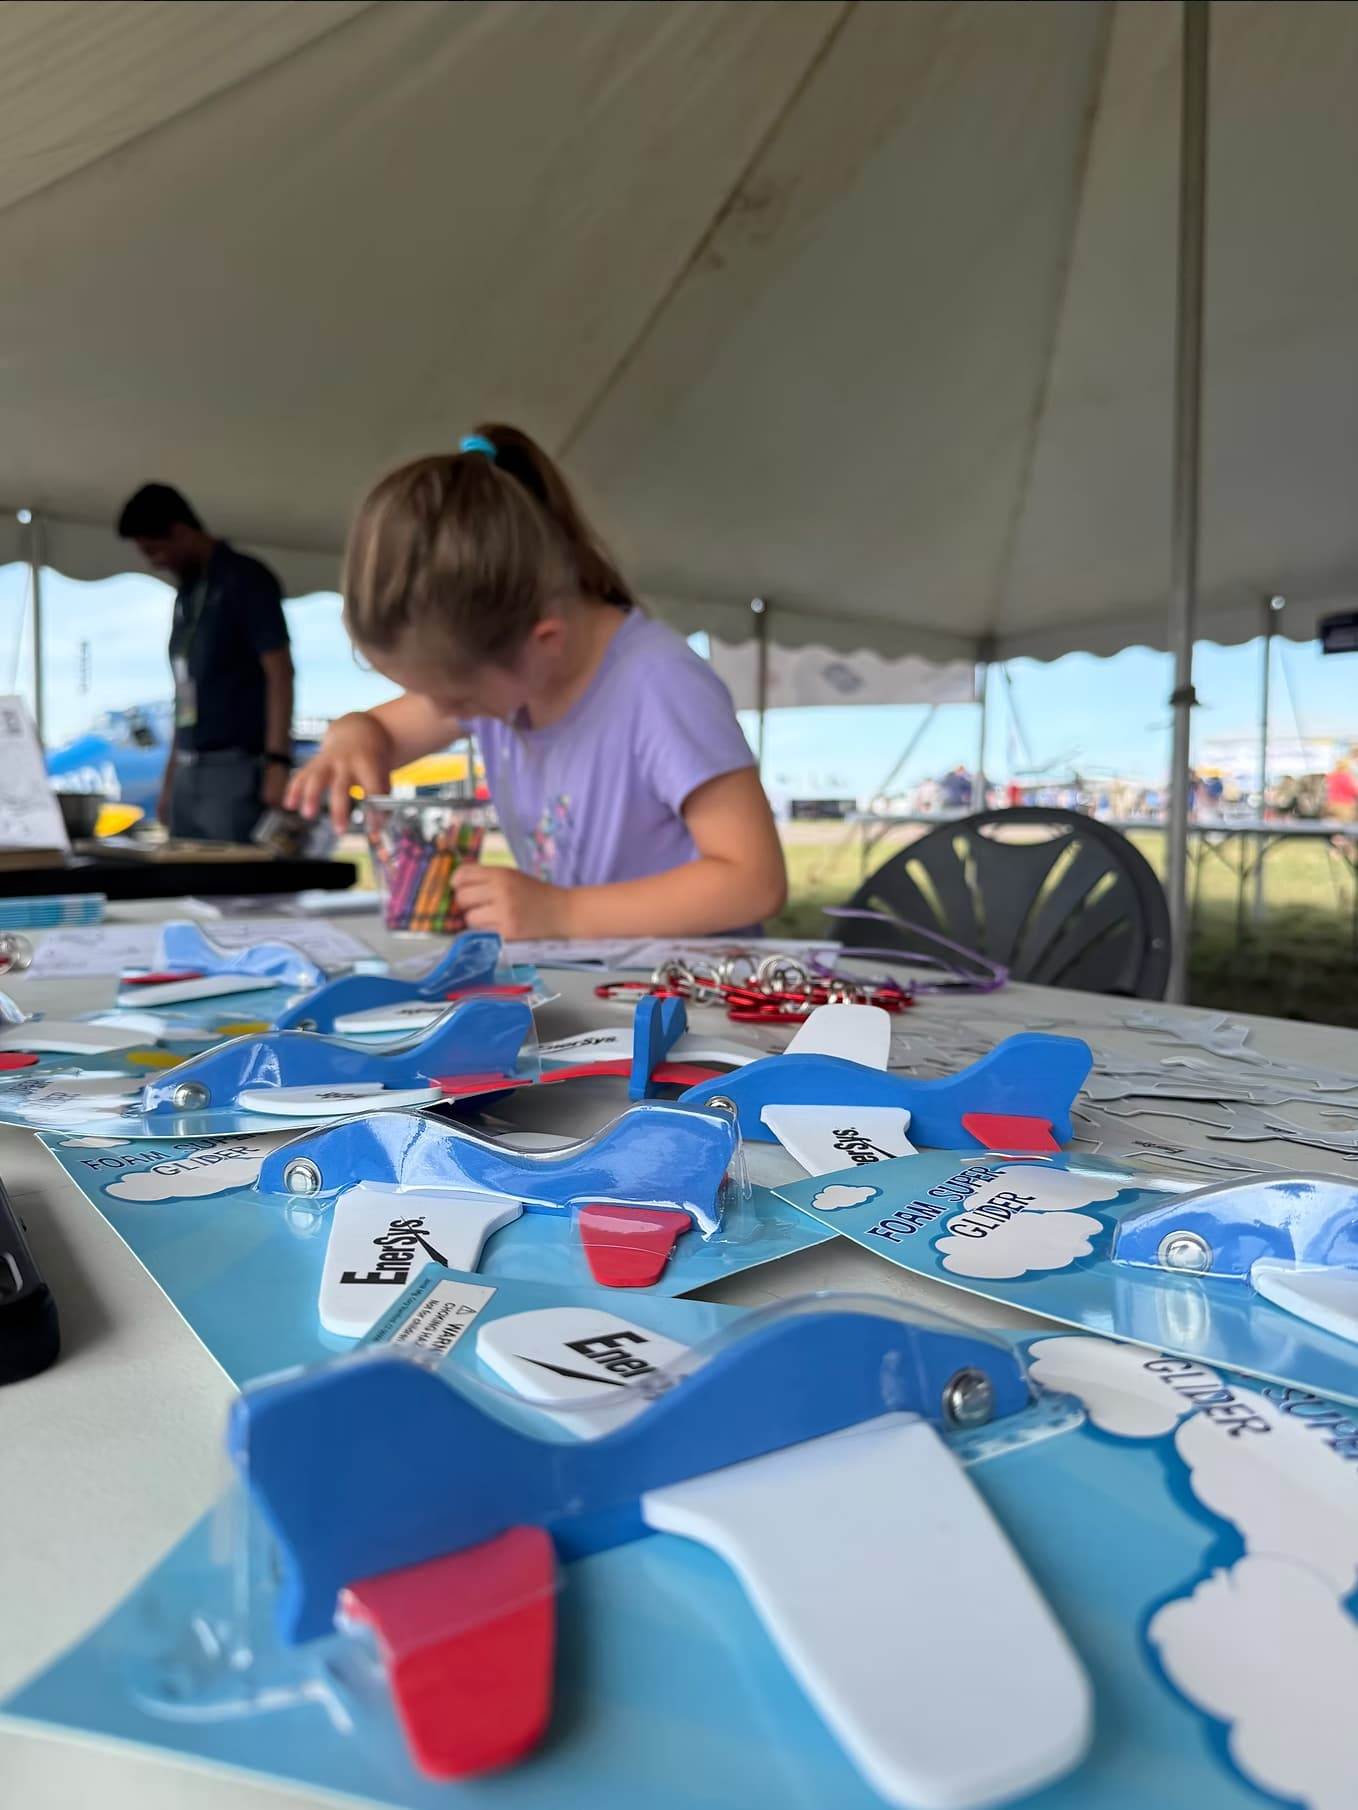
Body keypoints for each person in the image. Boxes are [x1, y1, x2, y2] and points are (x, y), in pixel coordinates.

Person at [288, 425, 786, 939]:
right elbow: (379, 732)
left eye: (455, 699)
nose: (438, 711)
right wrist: (351, 734)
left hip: (692, 1002)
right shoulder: (501, 679)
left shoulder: (660, 685)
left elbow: (754, 882)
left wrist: (562, 914)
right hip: (592, 990)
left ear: (542, 639)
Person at [117, 484, 295, 842]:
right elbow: (185, 696)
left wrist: (278, 761)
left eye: (155, 549)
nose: (154, 561)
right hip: (188, 768)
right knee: (184, 879)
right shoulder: (186, 595)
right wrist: (170, 782)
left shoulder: (245, 579)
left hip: (235, 768)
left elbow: (280, 672)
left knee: (232, 884)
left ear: (181, 532)